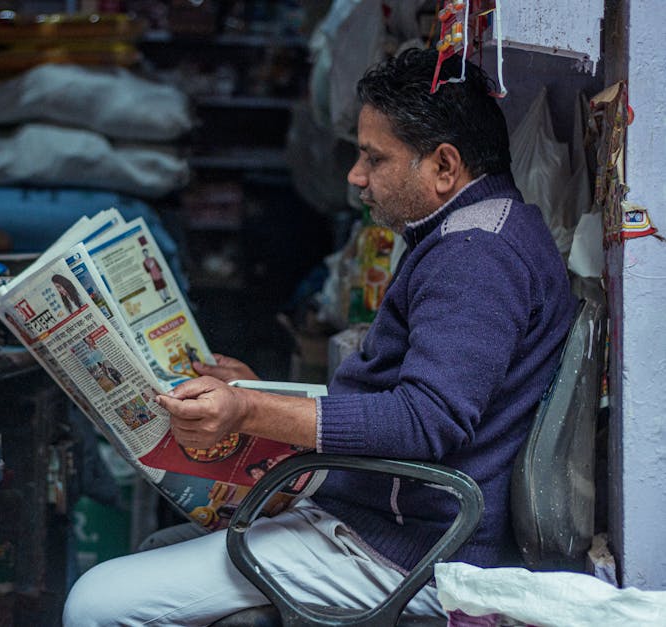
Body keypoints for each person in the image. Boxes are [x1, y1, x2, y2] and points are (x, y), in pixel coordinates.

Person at [62, 47, 577, 625]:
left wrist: (250, 410)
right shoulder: (483, 225)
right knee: (158, 552)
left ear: (444, 166)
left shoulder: (473, 256)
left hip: (401, 549)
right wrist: (264, 396)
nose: (356, 177)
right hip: (387, 517)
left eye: (374, 158)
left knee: (93, 603)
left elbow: (426, 420)